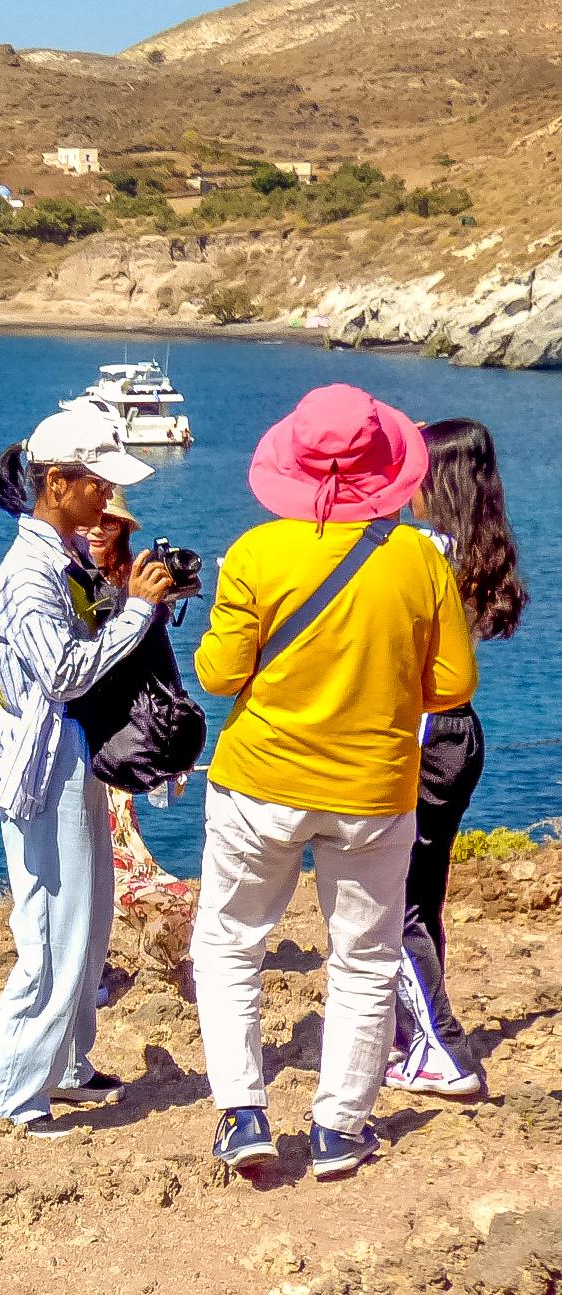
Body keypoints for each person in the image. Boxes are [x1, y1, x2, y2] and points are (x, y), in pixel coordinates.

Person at [192, 385, 477, 1179]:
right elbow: (451, 684)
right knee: (362, 958)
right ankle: (339, 1129)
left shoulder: (254, 554)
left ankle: (242, 1113)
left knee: (228, 947)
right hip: (372, 788)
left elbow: (218, 676)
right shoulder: (420, 558)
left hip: (258, 781)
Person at [0, 407, 180, 1134]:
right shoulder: (30, 575)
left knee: (84, 922)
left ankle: (63, 1067)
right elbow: (61, 671)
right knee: (53, 933)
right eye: (97, 485)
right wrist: (137, 615)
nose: (105, 504)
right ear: (57, 483)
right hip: (44, 767)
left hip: (66, 760)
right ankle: (6, 1095)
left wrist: (133, 606)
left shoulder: (58, 562)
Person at [387, 418, 527, 1098]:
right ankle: (408, 1036)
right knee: (421, 896)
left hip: (417, 735)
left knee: (392, 904)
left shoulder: (417, 552)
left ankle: (438, 1046)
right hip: (456, 733)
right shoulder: (473, 549)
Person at [84, 490, 196, 952]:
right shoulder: (68, 576)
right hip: (86, 734)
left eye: (109, 523)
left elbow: (160, 665)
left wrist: (178, 743)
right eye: (94, 519)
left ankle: (97, 954)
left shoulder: (136, 583)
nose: (96, 528)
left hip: (120, 736)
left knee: (108, 855)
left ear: (125, 531)